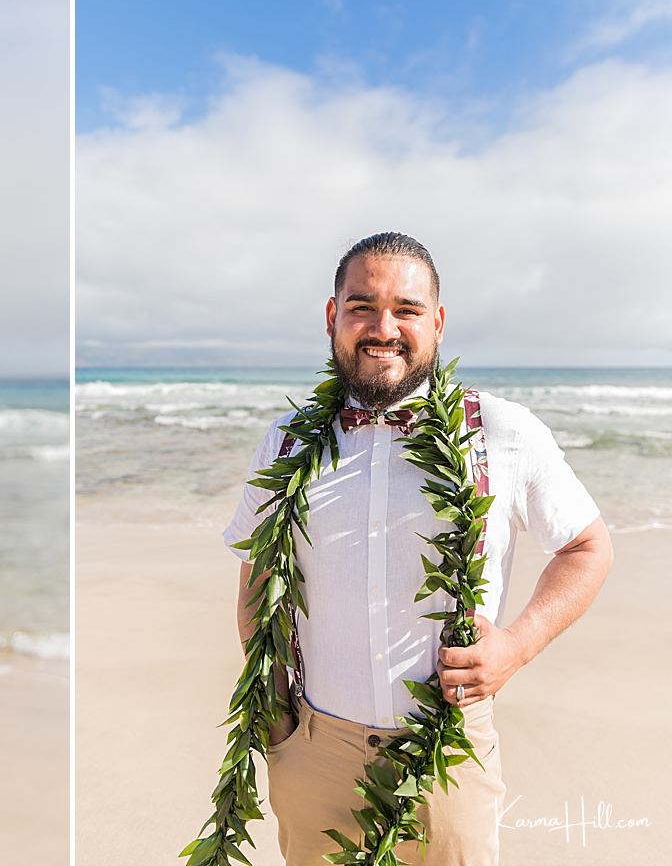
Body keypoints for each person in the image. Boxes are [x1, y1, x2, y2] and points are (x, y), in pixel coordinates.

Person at [223, 232, 612, 866]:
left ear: (437, 322)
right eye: (362, 306)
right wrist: (272, 713)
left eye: (406, 309)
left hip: (446, 757)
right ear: (332, 317)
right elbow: (257, 573)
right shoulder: (288, 441)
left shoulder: (500, 431)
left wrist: (514, 647)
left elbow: (588, 547)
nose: (383, 328)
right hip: (314, 752)